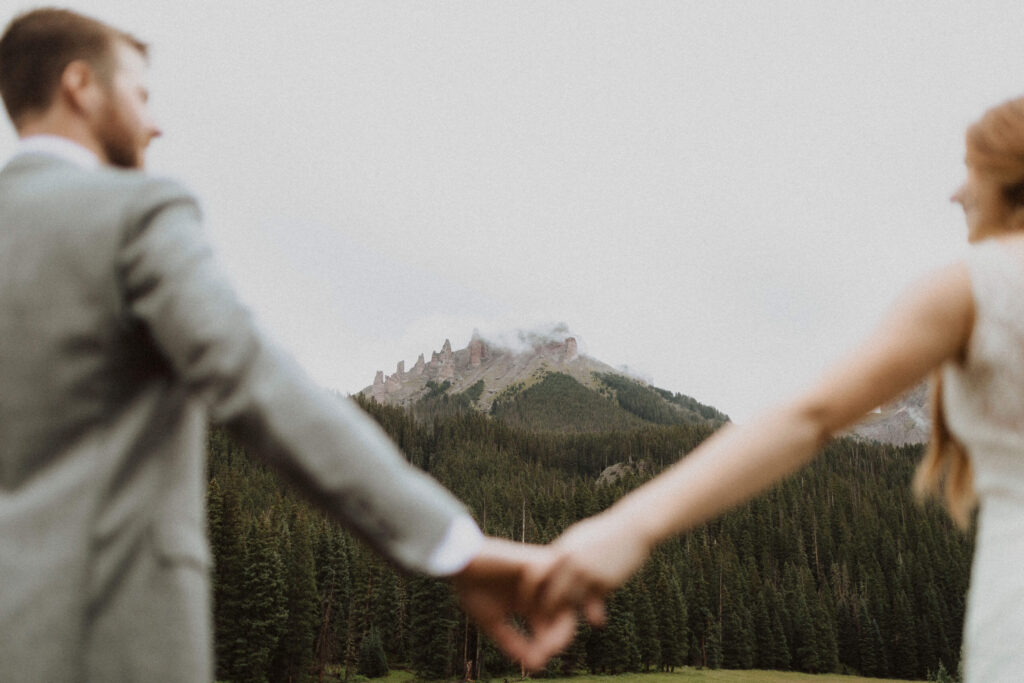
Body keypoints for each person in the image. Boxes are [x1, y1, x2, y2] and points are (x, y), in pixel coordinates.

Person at [0, 8, 573, 681]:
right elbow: (254, 379)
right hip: (112, 636)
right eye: (140, 94)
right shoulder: (136, 213)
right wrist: (453, 546)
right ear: (80, 86)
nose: (155, 123)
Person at [537, 95, 1024, 682]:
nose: (956, 194)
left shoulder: (976, 286)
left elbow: (811, 416)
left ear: (1010, 180)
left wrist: (629, 525)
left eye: (971, 172)